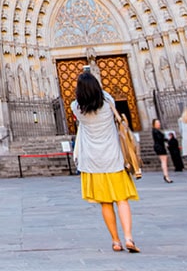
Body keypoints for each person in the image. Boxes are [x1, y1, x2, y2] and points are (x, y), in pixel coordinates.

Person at [71, 69, 140, 253]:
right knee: (122, 200)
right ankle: (128, 237)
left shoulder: (77, 108)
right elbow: (106, 97)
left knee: (106, 203)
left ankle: (116, 241)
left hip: (93, 162)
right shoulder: (108, 101)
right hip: (114, 159)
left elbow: (75, 102)